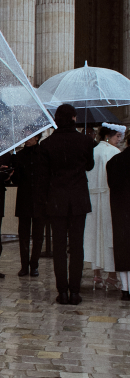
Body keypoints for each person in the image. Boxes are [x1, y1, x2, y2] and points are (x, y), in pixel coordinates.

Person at [38, 103, 95, 305]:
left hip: (56, 200)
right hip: (78, 198)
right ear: (73, 118)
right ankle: (75, 291)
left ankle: (62, 291)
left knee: (59, 247)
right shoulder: (85, 141)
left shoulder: (46, 144)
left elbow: (43, 177)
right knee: (77, 246)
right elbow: (89, 165)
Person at [83, 122, 125, 290]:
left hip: (92, 198)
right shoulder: (115, 153)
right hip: (108, 199)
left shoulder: (92, 151)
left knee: (94, 235)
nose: (119, 140)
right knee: (109, 236)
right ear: (108, 135)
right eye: (117, 136)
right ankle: (112, 275)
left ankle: (96, 273)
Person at [11, 133, 45, 277]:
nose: (27, 140)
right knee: (23, 234)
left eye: (30, 137)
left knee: (38, 235)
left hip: (39, 199)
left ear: (37, 138)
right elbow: (16, 180)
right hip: (24, 199)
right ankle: (24, 265)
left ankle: (34, 264)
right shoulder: (19, 155)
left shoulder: (43, 154)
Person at [106, 127, 130, 302]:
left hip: (120, 210)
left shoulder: (114, 161)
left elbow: (112, 185)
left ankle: (125, 288)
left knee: (122, 247)